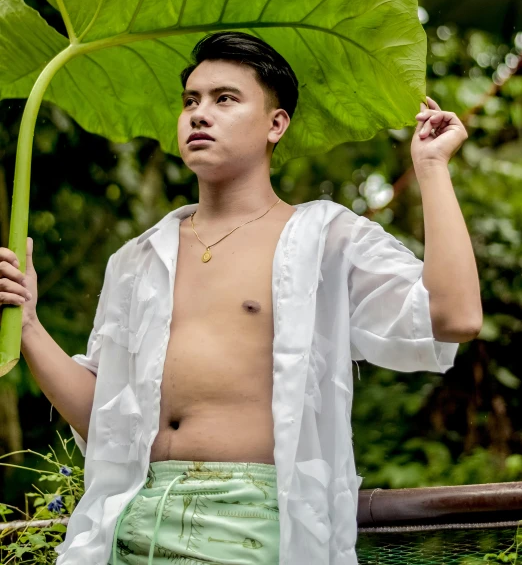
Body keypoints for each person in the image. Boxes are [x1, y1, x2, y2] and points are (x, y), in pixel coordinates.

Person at [0, 31, 482, 565]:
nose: (200, 114)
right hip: (124, 525)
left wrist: (432, 168)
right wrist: (27, 324)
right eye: (191, 101)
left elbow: (454, 317)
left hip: (250, 525)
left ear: (276, 124)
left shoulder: (326, 238)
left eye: (225, 99)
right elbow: (105, 421)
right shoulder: (137, 259)